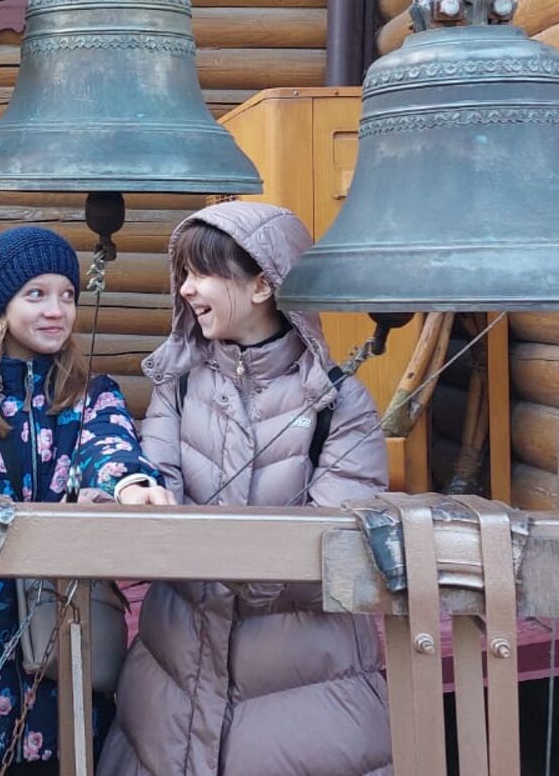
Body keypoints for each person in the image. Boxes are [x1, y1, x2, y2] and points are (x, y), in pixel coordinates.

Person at [98, 203, 392, 776]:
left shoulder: (341, 405)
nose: (186, 289)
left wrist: (208, 556)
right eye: (183, 274)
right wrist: (125, 496)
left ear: (263, 283)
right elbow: (156, 494)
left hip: (305, 694)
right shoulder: (177, 384)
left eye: (202, 273)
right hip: (170, 692)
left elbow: (337, 558)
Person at [0, 225, 174, 776]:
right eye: (36, 294)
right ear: (2, 303)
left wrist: (128, 483)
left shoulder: (92, 394)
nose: (56, 310)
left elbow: (108, 446)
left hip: (65, 657)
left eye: (67, 295)